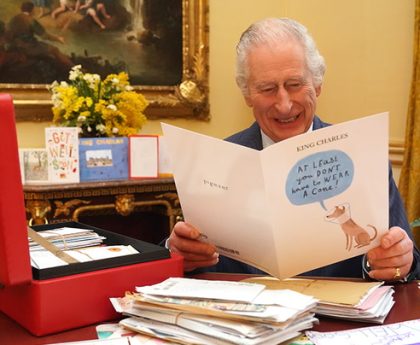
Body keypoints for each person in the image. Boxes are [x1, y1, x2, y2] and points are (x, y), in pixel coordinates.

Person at [166, 17, 420, 282]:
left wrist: (399, 260)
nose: (284, 104)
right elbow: (193, 261)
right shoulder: (216, 161)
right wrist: (179, 253)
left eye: (295, 84)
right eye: (267, 88)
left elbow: (409, 263)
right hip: (246, 318)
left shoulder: (363, 154)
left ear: (318, 83)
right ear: (247, 94)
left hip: (338, 321)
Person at [7, 1, 73, 69]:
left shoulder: (13, 19)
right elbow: (44, 36)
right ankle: (75, 69)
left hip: (15, 46)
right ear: (32, 10)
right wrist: (58, 38)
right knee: (54, 50)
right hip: (29, 47)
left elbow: (8, 34)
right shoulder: (30, 20)